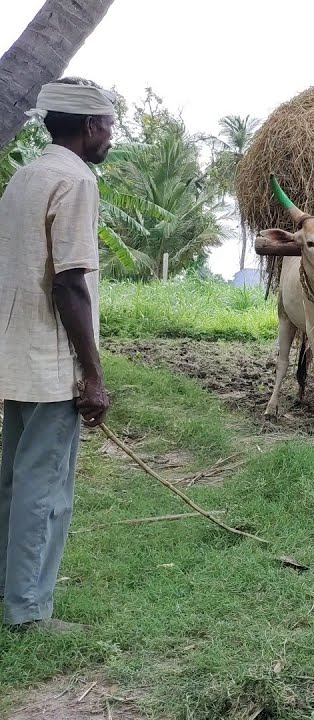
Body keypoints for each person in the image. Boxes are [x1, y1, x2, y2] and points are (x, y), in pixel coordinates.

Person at [1, 77, 115, 633]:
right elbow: (70, 283)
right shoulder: (75, 181)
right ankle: (27, 611)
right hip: (50, 364)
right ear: (91, 126)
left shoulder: (25, 176)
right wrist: (92, 375)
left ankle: (9, 591)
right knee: (46, 489)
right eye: (109, 127)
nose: (110, 138)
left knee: (16, 481)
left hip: (15, 356)